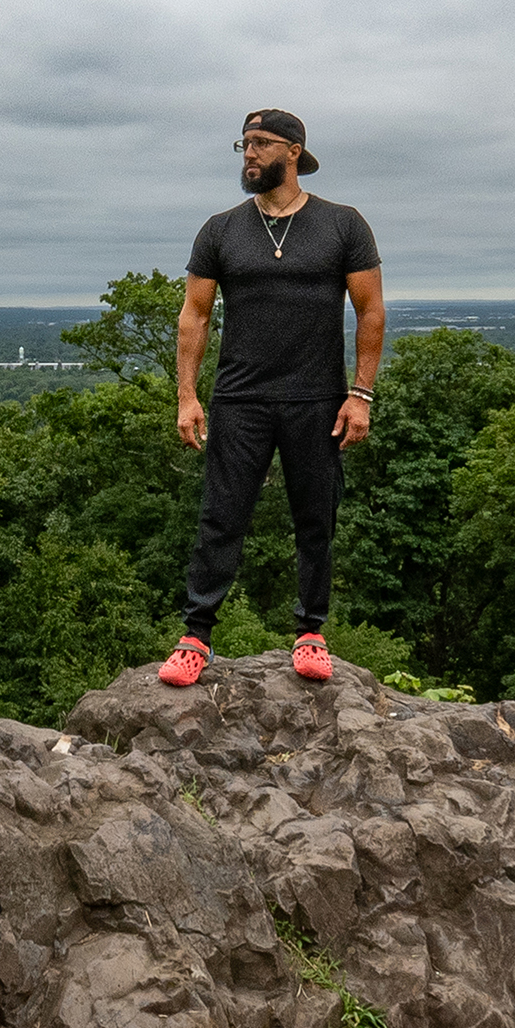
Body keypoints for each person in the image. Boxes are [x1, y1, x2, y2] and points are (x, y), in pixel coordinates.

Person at [158, 109, 384, 687]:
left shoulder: (343, 225)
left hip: (316, 398)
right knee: (221, 516)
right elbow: (195, 315)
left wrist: (360, 394)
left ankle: (311, 633)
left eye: (260, 143)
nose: (248, 154)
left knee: (316, 518)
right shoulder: (220, 229)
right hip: (240, 397)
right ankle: (195, 637)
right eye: (244, 143)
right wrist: (187, 395)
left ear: (293, 151)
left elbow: (371, 311)